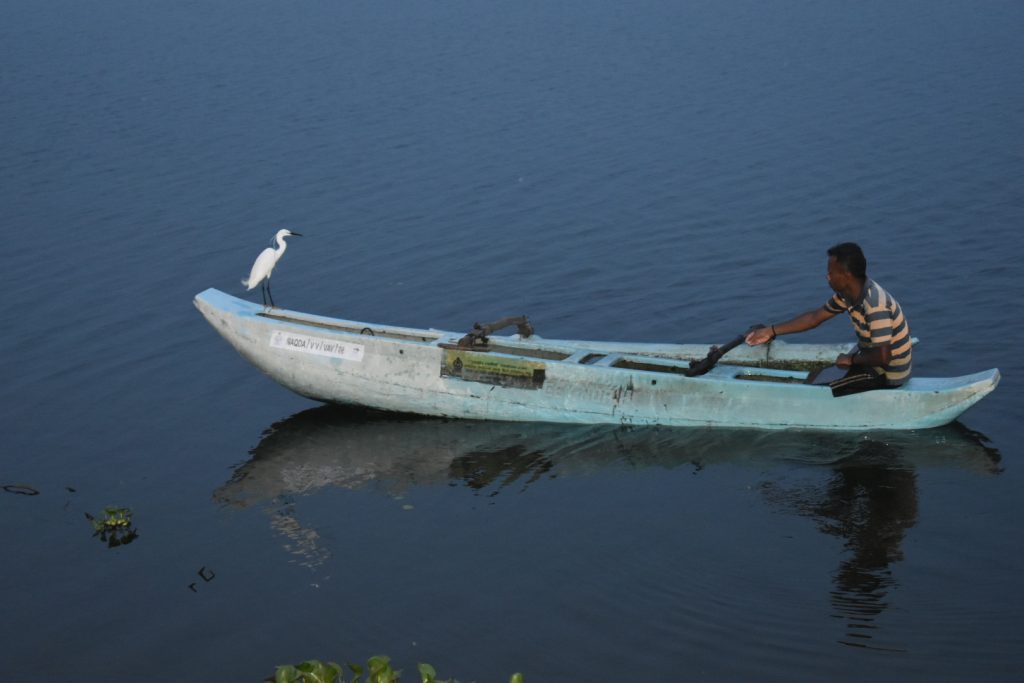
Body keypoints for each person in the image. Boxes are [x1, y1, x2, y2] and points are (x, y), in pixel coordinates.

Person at [744, 242, 912, 397]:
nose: (827, 277)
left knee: (820, 389)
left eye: (831, 273)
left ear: (846, 275)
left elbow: (883, 358)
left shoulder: (875, 304)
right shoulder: (848, 295)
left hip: (889, 374)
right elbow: (814, 318)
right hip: (870, 360)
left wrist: (851, 359)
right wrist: (770, 331)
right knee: (815, 375)